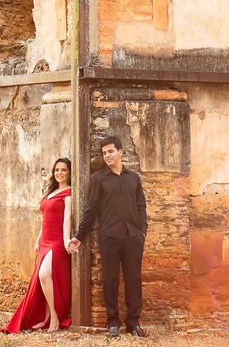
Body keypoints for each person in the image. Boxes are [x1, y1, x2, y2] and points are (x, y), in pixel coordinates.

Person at [67, 136, 147, 338]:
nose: (107, 156)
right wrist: (79, 236)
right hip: (110, 238)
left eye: (110, 151)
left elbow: (141, 206)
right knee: (110, 281)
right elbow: (91, 210)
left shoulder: (133, 178)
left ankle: (133, 323)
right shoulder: (98, 179)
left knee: (134, 280)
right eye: (104, 153)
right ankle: (113, 323)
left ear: (120, 152)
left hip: (133, 238)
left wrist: (142, 231)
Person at [0, 158, 74, 333]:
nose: (60, 173)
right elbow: (45, 219)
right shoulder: (51, 192)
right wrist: (37, 240)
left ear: (69, 173)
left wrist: (66, 240)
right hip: (45, 240)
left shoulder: (69, 192)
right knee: (45, 280)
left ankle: (55, 316)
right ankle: (47, 318)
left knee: (44, 275)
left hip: (57, 241)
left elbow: (67, 218)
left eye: (63, 170)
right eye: (57, 170)